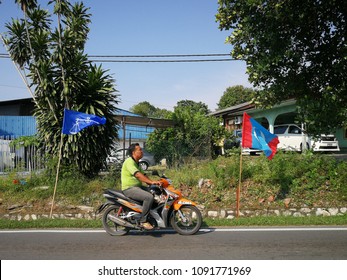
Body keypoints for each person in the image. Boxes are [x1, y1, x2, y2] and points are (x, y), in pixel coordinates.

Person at [121, 143, 161, 230]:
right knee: (149, 197)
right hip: (129, 188)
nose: (142, 151)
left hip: (137, 187)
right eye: (139, 150)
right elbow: (138, 175)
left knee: (155, 192)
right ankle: (143, 221)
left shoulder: (137, 163)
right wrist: (150, 182)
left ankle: (152, 218)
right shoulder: (129, 162)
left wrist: (153, 183)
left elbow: (144, 174)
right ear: (133, 152)